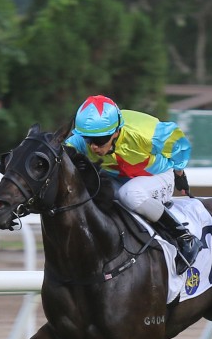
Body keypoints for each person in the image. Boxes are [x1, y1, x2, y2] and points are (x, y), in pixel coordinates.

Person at [63, 94, 200, 267]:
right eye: (87, 139)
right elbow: (58, 157)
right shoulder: (79, 142)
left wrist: (180, 175)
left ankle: (184, 236)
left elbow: (180, 144)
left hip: (156, 176)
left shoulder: (145, 134)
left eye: (99, 140)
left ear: (116, 131)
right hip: (119, 178)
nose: (93, 146)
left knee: (129, 194)